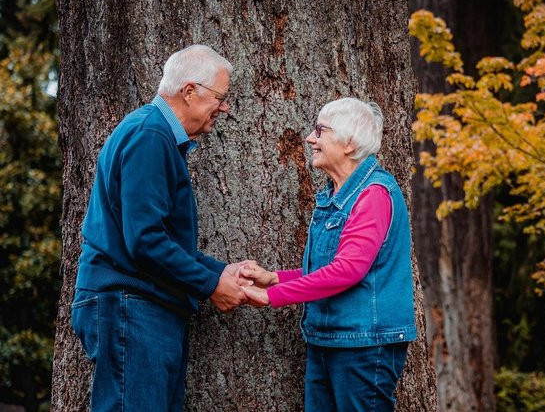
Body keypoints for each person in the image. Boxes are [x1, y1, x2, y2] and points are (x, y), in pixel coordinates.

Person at [71, 44, 252, 412]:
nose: (225, 107)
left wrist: (222, 272)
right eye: (220, 97)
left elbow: (157, 238)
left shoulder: (157, 137)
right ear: (189, 92)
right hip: (131, 306)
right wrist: (211, 285)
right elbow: (146, 241)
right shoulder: (150, 136)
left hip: (142, 307)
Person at [241, 97, 416, 412]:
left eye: (320, 131)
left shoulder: (373, 195)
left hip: (364, 345)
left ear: (348, 144)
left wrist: (273, 296)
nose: (311, 138)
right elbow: (329, 266)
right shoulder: (337, 195)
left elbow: (347, 271)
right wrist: (274, 278)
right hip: (329, 339)